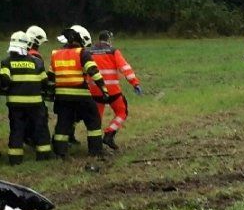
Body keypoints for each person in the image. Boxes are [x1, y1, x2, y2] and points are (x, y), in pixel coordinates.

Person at [50, 26, 112, 158]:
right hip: (80, 95)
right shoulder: (82, 53)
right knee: (93, 121)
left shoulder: (56, 54)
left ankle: (59, 152)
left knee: (63, 123)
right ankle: (96, 150)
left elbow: (50, 77)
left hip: (61, 97)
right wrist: (104, 90)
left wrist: (51, 94)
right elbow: (93, 72)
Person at [1, 32, 52, 164]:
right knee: (40, 129)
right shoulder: (37, 62)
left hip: (15, 105)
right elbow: (45, 83)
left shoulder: (7, 62)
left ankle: (15, 159)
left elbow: (4, 81)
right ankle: (43, 157)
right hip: (36, 104)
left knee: (17, 130)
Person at [89, 30, 142, 150]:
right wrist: (135, 83)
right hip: (112, 90)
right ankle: (109, 134)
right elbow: (125, 68)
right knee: (122, 112)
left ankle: (94, 145)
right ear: (108, 40)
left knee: (96, 118)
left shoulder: (89, 51)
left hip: (95, 91)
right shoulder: (113, 51)